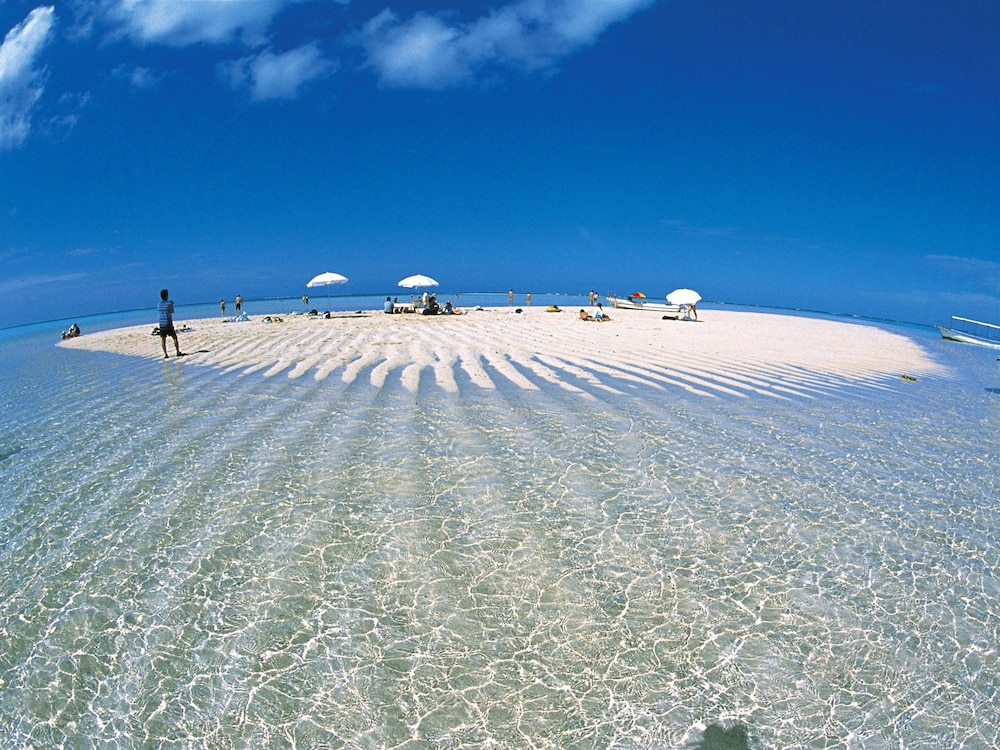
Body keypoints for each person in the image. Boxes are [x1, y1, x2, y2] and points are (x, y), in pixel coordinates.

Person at [157, 288, 184, 358]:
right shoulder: (169, 303)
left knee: (163, 339)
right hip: (168, 323)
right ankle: (177, 352)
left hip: (161, 323)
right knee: (174, 337)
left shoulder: (158, 304)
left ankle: (165, 354)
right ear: (166, 295)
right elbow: (171, 311)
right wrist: (171, 304)